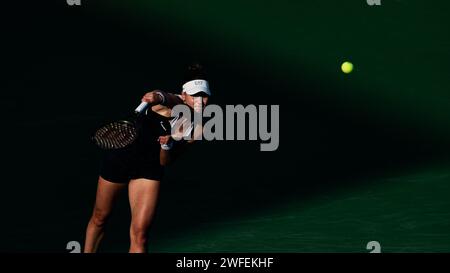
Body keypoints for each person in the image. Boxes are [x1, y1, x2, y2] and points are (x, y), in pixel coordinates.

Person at [84, 64, 211, 253]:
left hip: (149, 169)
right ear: (183, 95)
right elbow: (160, 96)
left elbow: (166, 162)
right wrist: (156, 96)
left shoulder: (199, 128)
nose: (200, 100)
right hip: (121, 158)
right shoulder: (168, 103)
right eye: (194, 95)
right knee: (100, 217)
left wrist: (166, 146)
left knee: (140, 234)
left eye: (204, 95)